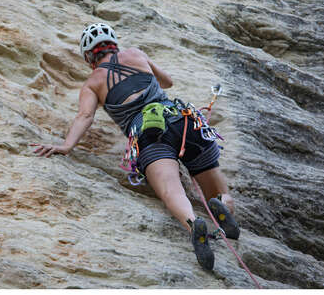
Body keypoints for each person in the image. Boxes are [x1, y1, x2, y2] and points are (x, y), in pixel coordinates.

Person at [32, 23, 240, 270]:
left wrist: (66, 146)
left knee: (171, 190)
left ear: (89, 56)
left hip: (148, 134)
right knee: (217, 189)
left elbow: (85, 117)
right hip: (183, 122)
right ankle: (223, 205)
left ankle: (194, 224)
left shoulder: (92, 83)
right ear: (114, 44)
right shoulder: (136, 54)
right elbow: (168, 82)